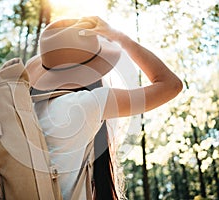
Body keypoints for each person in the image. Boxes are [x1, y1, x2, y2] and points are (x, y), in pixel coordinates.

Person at [25, 16, 183, 200]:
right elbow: (171, 84)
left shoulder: (28, 107)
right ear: (93, 70)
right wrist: (120, 38)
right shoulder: (87, 104)